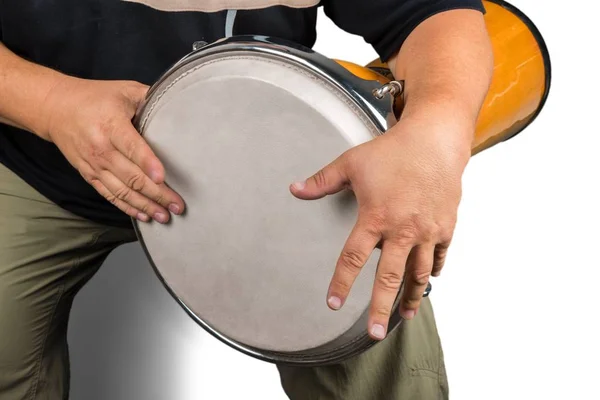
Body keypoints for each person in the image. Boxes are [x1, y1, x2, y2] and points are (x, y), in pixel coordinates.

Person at [0, 1, 493, 399]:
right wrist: (49, 105)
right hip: (41, 164)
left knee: (379, 339)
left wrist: (437, 132)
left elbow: (431, 12)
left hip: (278, 174)